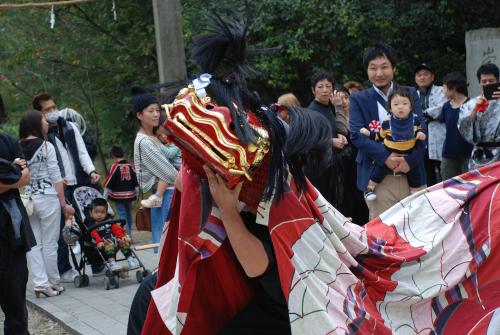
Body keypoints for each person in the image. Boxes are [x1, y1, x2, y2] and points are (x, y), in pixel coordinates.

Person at [349, 42, 426, 219]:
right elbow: (356, 135)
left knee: (417, 229)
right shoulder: (359, 99)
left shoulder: (410, 93)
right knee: (383, 235)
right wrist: (386, 157)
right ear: (367, 71)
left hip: (411, 173)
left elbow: (422, 129)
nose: (379, 73)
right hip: (378, 178)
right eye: (373, 68)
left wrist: (410, 161)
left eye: (384, 67)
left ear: (394, 68)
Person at [32, 92, 102, 281]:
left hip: (80, 182)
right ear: (40, 114)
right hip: (61, 187)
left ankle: (97, 263)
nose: (53, 111)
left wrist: (91, 171)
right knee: (64, 230)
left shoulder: (70, 126)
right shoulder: (42, 135)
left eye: (54, 107)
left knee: (90, 223)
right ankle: (64, 269)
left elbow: (82, 153)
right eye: (48, 110)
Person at [19, 110, 75, 297]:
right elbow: (55, 176)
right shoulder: (45, 146)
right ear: (36, 123)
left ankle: (40, 283)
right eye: (43, 120)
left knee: (33, 244)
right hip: (48, 197)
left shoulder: (17, 147)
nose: (45, 122)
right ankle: (53, 281)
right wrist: (63, 202)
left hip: (27, 200)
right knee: (50, 242)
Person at [132, 88, 178, 252]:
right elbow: (170, 174)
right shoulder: (145, 142)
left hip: (166, 194)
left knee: (168, 248)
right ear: (139, 115)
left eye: (157, 110)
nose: (156, 114)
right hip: (166, 196)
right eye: (150, 111)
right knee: (169, 250)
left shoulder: (154, 138)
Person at [360, 88, 427, 200]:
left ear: (411, 107)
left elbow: (421, 129)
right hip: (389, 150)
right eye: (396, 104)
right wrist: (369, 133)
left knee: (415, 172)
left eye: (405, 103)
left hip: (409, 152)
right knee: (379, 168)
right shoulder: (387, 122)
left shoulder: (415, 120)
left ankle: (414, 193)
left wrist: (421, 133)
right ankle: (369, 188)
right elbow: (380, 136)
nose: (400, 107)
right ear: (390, 108)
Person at [0, 130, 35, 334]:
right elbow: (18, 176)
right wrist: (12, 172)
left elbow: (25, 178)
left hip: (10, 233)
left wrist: (15, 175)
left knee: (16, 303)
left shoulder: (7, 141)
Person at [305, 71, 348, 209]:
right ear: (313, 90)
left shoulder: (330, 108)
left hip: (332, 166)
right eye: (320, 87)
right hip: (317, 168)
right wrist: (331, 141)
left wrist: (341, 136)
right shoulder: (311, 112)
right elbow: (308, 141)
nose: (325, 90)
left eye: (328, 86)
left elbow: (339, 128)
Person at [458, 63, 500, 169]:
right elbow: (464, 127)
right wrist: (475, 109)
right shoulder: (470, 104)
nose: (487, 84)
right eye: (484, 81)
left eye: (491, 81)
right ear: (479, 82)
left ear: (498, 80)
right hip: (479, 156)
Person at [414, 63, 448, 184]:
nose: (422, 77)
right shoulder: (413, 94)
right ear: (415, 78)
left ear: (432, 77)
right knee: (427, 174)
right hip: (420, 138)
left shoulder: (441, 91)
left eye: (425, 74)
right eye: (419, 75)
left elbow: (442, 107)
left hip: (440, 136)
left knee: (444, 172)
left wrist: (422, 114)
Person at [84, 198, 139, 271]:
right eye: (96, 212)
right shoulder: (91, 223)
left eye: (102, 212)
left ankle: (130, 260)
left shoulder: (109, 220)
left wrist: (122, 237)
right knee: (109, 244)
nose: (99, 214)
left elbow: (116, 230)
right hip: (102, 242)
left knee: (124, 242)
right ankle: (112, 263)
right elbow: (93, 234)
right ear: (91, 213)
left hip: (114, 240)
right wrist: (99, 241)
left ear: (106, 213)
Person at [437, 72, 473, 180]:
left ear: (453, 88)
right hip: (449, 153)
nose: (443, 92)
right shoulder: (446, 106)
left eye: (444, 88)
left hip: (469, 153)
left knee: (471, 185)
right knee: (448, 187)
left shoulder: (472, 104)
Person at [103, 145, 138, 236]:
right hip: (130, 195)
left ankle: (126, 236)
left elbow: (109, 181)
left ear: (113, 156)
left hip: (119, 197)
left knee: (122, 215)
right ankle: (129, 234)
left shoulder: (115, 166)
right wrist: (137, 195)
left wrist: (104, 197)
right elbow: (136, 181)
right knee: (128, 214)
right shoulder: (131, 166)